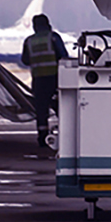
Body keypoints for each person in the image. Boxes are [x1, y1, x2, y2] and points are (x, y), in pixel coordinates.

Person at [20, 14, 68, 152]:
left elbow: (25, 60)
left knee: (41, 110)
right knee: (62, 108)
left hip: (38, 79)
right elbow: (63, 55)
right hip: (54, 78)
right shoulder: (53, 37)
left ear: (35, 26)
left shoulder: (29, 41)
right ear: (48, 24)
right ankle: (65, 135)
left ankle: (42, 138)